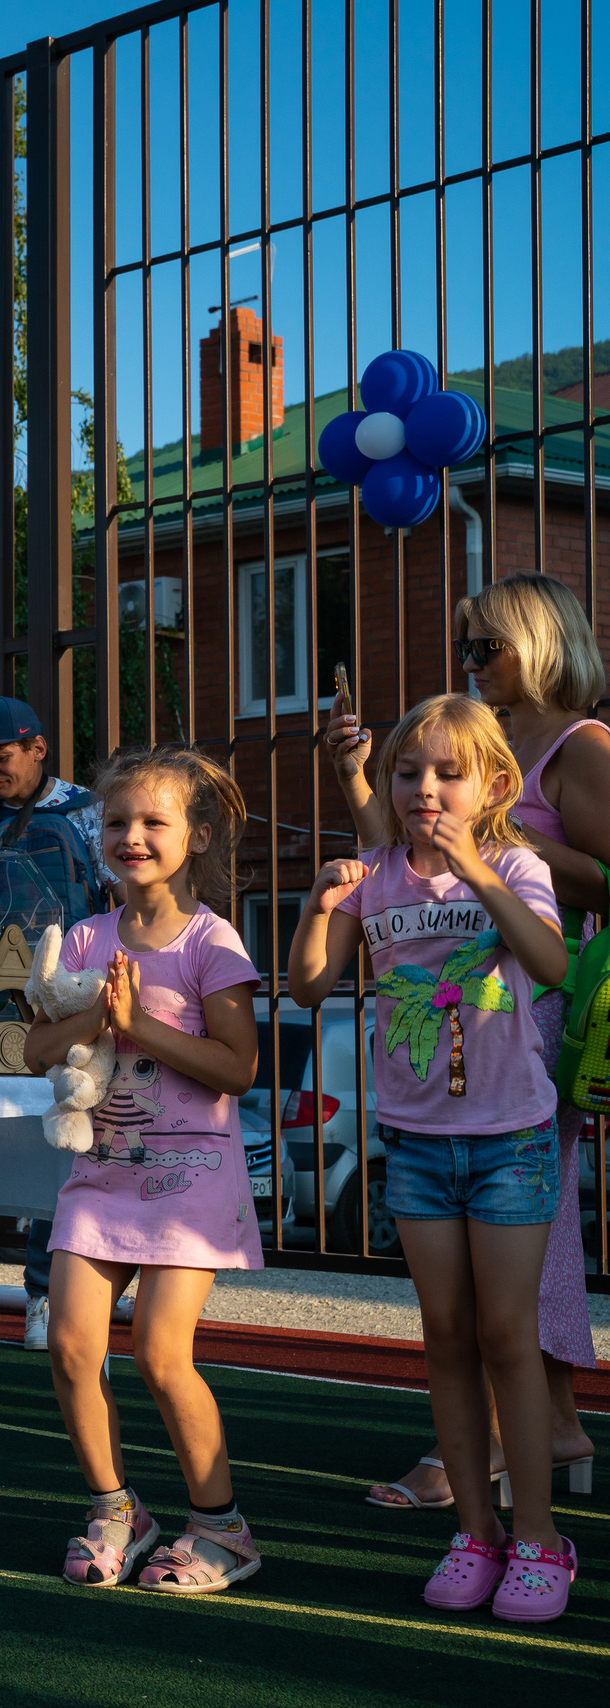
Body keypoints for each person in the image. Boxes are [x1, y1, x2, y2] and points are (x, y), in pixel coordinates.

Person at [289, 694, 577, 1622]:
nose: (425, 789)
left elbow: (553, 961)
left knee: (506, 1335)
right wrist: (317, 903)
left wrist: (474, 870)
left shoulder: (516, 862)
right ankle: (479, 1534)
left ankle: (539, 1540)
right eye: (409, 771)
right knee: (446, 1337)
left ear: (492, 784)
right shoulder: (373, 875)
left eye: (448, 773)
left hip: (511, 1140)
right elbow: (306, 986)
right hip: (414, 1144)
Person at [330, 574, 602, 1512]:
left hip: (532, 1005)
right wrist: (362, 783)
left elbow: (598, 884)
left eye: (490, 647)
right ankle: (508, 1458)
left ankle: (535, 1454)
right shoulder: (469, 750)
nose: (474, 664)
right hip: (441, 1053)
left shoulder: (578, 746)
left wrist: (493, 843)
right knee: (470, 1303)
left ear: (544, 640)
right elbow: (393, 878)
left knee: (523, 1249)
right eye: (467, 650)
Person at [27, 747, 265, 1593]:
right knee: (68, 1345)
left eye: (153, 822)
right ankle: (116, 1509)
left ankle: (221, 1528)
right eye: (116, 821)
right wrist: (98, 1010)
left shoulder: (213, 941)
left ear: (196, 836)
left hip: (188, 1184)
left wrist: (139, 1025)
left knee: (163, 1356)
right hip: (101, 1177)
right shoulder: (87, 939)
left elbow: (238, 1067)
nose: (131, 836)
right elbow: (36, 1049)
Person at [0, 696, 119, 1350]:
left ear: (38, 747)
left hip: (66, 999)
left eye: (2, 756)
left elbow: (120, 892)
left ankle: (44, 1296)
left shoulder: (87, 813)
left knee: (60, 1147)